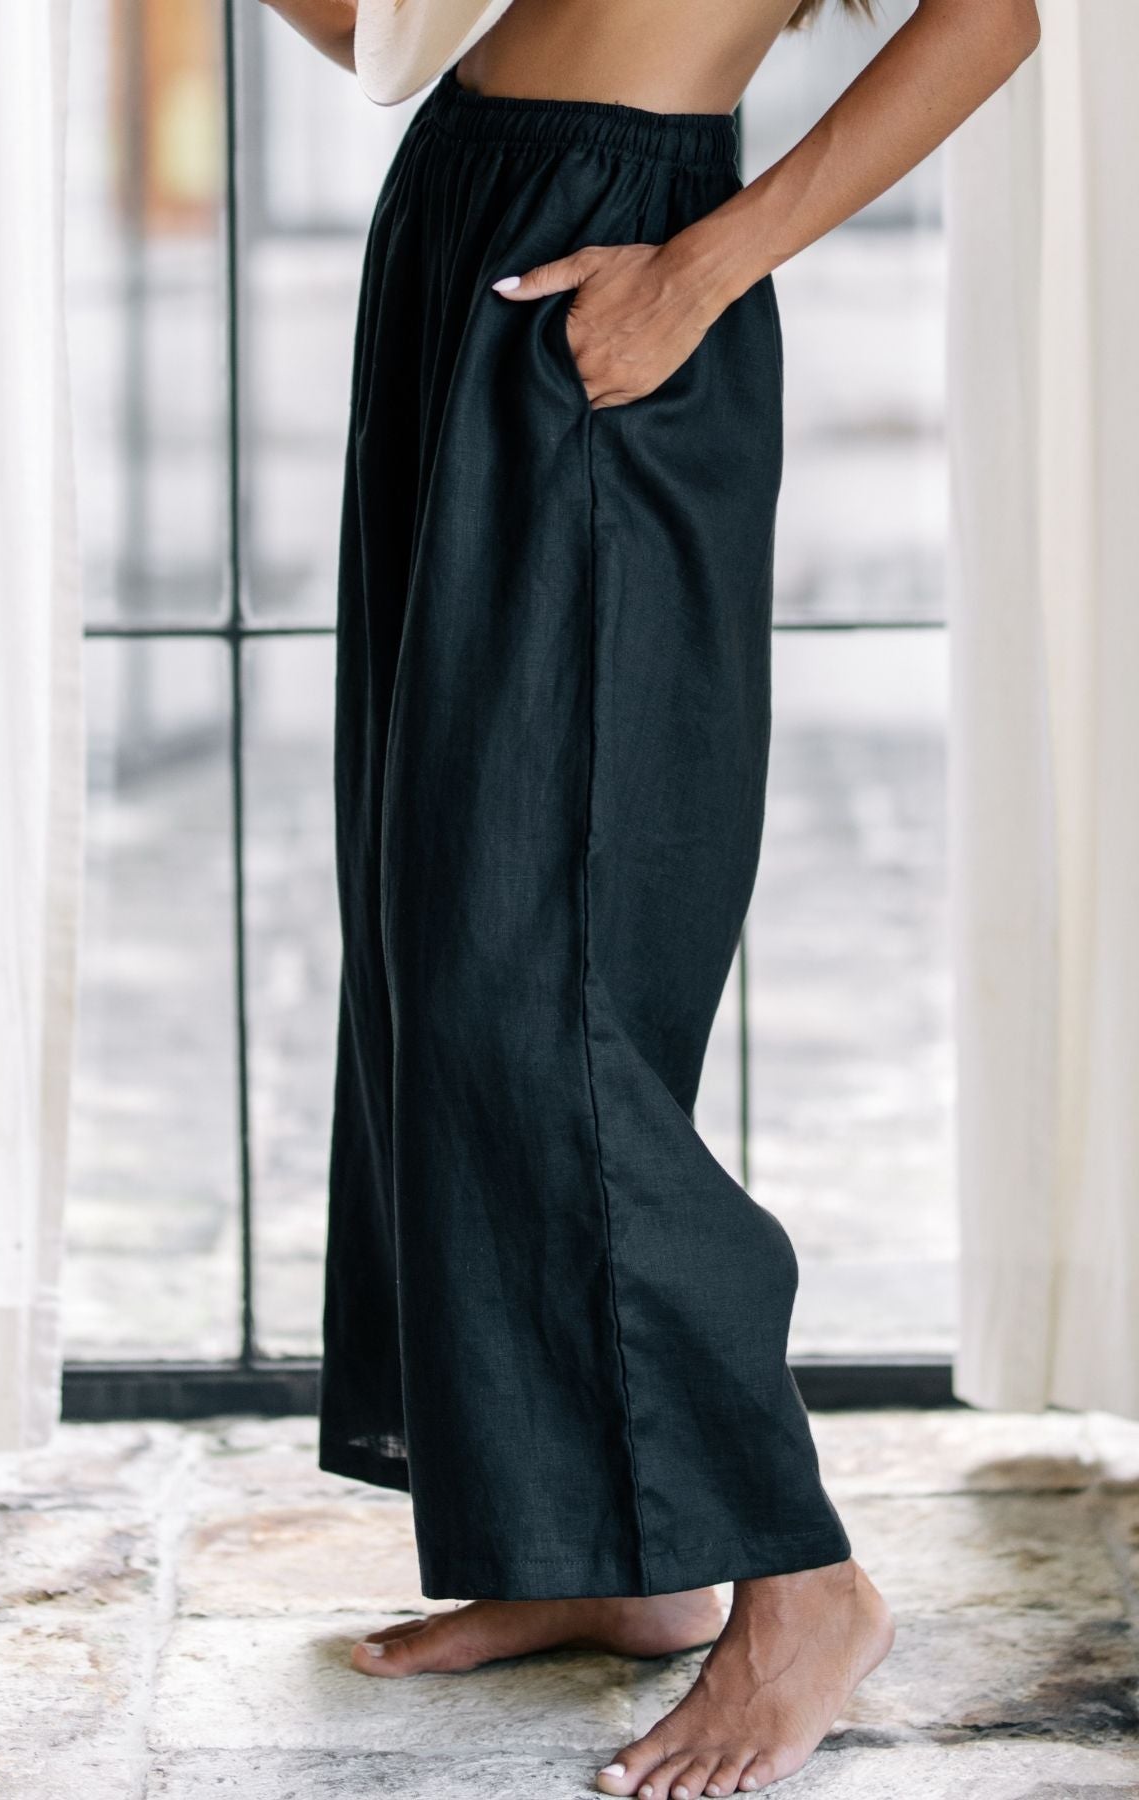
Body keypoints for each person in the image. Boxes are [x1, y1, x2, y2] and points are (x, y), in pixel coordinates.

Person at [258, 1, 1041, 1794]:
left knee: (537, 981)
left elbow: (993, 18)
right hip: (466, 213)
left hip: (623, 244)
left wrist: (704, 271)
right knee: (436, 935)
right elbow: (389, 25)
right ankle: (599, 1552)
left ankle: (804, 1582)